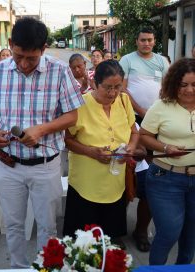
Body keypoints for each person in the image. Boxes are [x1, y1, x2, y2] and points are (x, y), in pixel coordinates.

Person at [0, 17, 84, 268]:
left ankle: (45, 267)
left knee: (47, 226)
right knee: (14, 225)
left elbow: (73, 115)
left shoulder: (60, 71)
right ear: (10, 44)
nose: (25, 64)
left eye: (32, 58)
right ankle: (18, 267)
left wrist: (42, 129)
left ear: (44, 49)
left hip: (46, 165)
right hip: (9, 165)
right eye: (18, 56)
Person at [62, 60, 139, 247]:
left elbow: (134, 131)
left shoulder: (124, 100)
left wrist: (130, 147)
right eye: (107, 88)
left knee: (110, 239)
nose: (113, 93)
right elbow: (67, 140)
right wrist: (91, 152)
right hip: (86, 184)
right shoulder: (80, 104)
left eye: (117, 87)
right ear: (95, 83)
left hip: (114, 182)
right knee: (82, 243)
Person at [140, 58, 195, 265]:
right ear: (174, 84)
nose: (189, 90)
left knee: (190, 238)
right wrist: (165, 148)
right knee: (169, 232)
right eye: (183, 85)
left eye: (194, 84)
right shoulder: (161, 106)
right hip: (165, 179)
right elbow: (144, 135)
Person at [119, 27, 169, 252]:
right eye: (142, 40)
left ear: (154, 41)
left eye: (150, 40)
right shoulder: (127, 60)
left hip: (158, 123)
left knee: (152, 178)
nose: (146, 43)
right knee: (126, 172)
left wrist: (157, 115)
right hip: (133, 120)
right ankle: (116, 230)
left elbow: (167, 89)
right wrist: (141, 111)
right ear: (136, 41)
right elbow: (122, 89)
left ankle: (141, 230)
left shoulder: (161, 61)